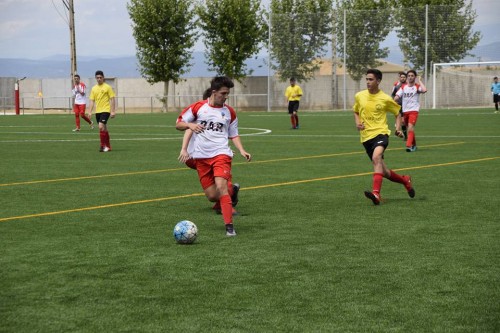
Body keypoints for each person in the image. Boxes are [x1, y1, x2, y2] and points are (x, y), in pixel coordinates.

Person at [176, 76, 252, 236]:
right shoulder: (198, 108)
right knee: (211, 196)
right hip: (201, 157)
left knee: (221, 186)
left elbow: (234, 134)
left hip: (221, 154)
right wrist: (189, 124)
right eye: (223, 93)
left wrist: (242, 150)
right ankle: (233, 190)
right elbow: (179, 124)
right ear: (213, 92)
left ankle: (229, 227)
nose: (226, 97)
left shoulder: (229, 112)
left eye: (227, 94)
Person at [353, 68, 415, 205]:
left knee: (376, 158)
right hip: (366, 137)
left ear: (378, 81)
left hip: (381, 133)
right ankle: (405, 180)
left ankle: (376, 194)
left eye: (371, 79)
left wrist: (398, 128)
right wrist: (358, 123)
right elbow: (356, 111)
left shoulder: (385, 98)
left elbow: (398, 112)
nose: (368, 82)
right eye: (367, 79)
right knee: (384, 170)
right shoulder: (359, 96)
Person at [178, 87, 240, 216]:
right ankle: (231, 191)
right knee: (213, 192)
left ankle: (225, 203)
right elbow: (188, 129)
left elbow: (221, 134)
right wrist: (184, 149)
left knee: (221, 182)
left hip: (210, 154)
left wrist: (224, 151)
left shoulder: (217, 113)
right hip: (194, 157)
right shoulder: (199, 113)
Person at [394, 69, 427, 152]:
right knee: (410, 128)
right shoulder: (403, 87)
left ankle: (409, 146)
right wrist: (395, 99)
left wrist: (419, 81)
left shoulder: (416, 86)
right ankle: (414, 146)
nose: (410, 77)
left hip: (414, 111)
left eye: (412, 76)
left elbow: (424, 90)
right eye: (409, 76)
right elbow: (397, 96)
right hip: (405, 111)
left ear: (415, 77)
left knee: (410, 128)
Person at [87, 70, 116, 152]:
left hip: (106, 110)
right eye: (97, 78)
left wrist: (113, 111)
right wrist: (89, 111)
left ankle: (102, 146)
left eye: (100, 77)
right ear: (96, 78)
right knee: (104, 128)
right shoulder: (94, 88)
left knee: (100, 126)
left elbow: (112, 99)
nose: (99, 79)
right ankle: (108, 146)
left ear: (103, 78)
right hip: (98, 111)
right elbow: (92, 101)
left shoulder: (107, 87)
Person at [391, 71, 407, 139]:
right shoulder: (397, 86)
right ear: (400, 78)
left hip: (406, 106)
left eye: (404, 77)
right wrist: (394, 101)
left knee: (404, 122)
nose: (403, 78)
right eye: (401, 77)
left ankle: (404, 134)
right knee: (402, 121)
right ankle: (405, 136)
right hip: (399, 105)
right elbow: (393, 94)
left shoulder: (408, 86)